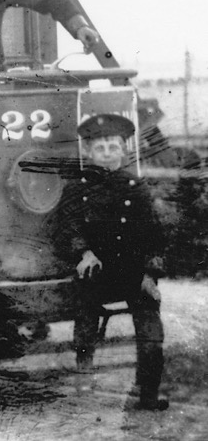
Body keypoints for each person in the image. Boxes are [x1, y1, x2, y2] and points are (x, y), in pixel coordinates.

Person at [49, 113, 169, 411]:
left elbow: (155, 233)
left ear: (124, 150)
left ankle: (147, 391)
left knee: (151, 327)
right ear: (88, 152)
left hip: (132, 271)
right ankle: (84, 375)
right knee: (86, 313)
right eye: (99, 148)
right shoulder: (78, 187)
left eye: (113, 147)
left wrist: (150, 274)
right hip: (96, 269)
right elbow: (67, 227)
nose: (106, 154)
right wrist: (83, 253)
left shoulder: (136, 187)